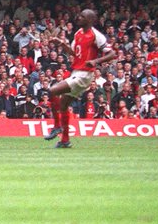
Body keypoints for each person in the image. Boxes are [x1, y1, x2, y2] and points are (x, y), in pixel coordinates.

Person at [44, 9, 118, 148]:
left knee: (52, 91)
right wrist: (61, 43)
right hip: (76, 72)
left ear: (90, 20)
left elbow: (112, 54)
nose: (78, 18)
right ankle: (65, 140)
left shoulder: (96, 35)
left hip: (85, 74)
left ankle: (57, 126)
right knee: (63, 104)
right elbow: (74, 53)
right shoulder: (78, 33)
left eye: (82, 16)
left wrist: (96, 61)